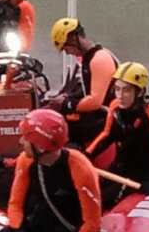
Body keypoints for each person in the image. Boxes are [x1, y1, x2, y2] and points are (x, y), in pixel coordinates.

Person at [84, 62, 149, 211]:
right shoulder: (114, 107)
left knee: (96, 203)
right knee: (81, 195)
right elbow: (107, 135)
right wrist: (86, 156)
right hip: (119, 170)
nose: (120, 95)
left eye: (126, 90)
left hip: (144, 177)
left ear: (140, 92)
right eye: (117, 89)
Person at [45, 18, 119, 148]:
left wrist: (66, 104)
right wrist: (66, 99)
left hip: (108, 118)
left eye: (65, 47)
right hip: (100, 115)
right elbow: (85, 91)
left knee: (59, 128)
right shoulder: (89, 59)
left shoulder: (99, 59)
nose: (67, 52)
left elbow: (95, 101)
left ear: (74, 39)